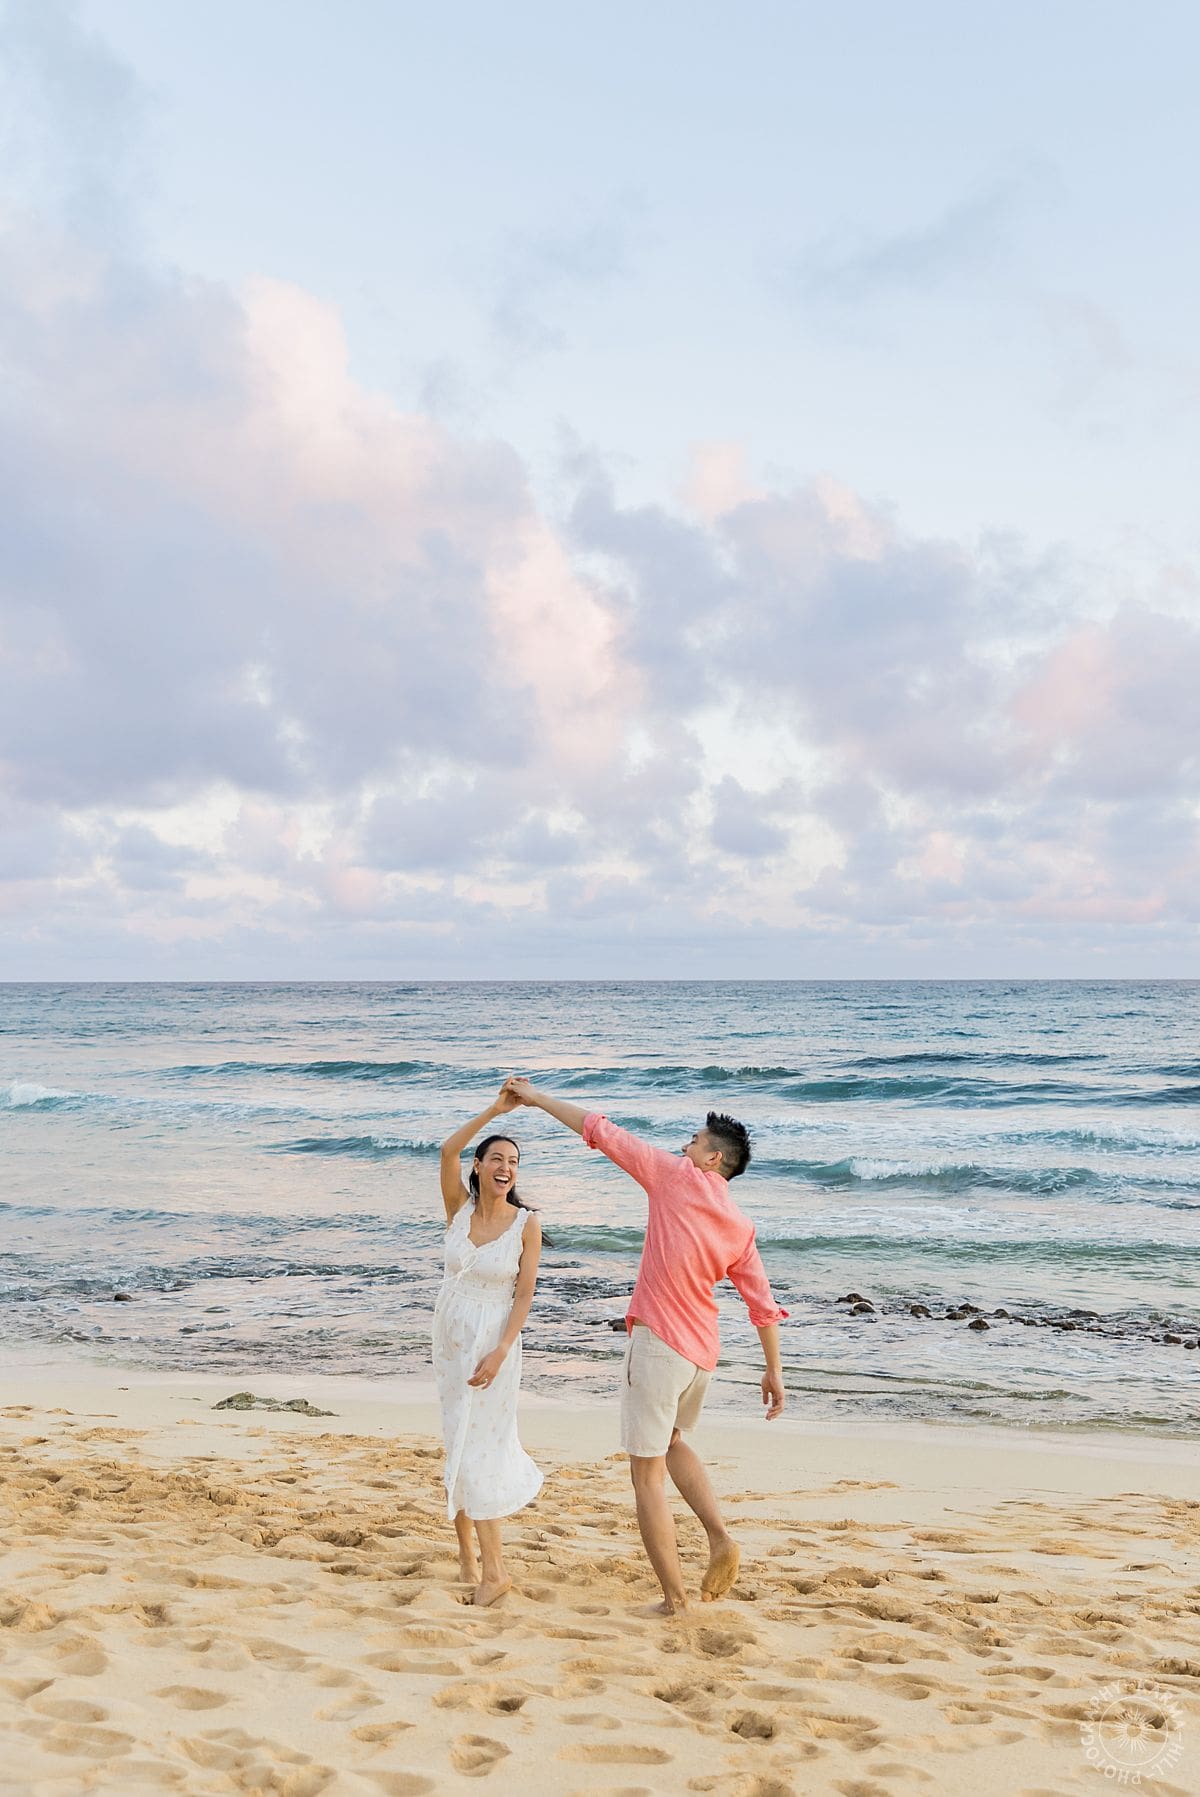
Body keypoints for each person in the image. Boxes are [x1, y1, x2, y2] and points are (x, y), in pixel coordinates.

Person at [503, 1078, 786, 1617]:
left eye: (693, 1142)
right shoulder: (740, 1225)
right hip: (701, 1354)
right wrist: (774, 1372)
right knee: (673, 1442)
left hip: (659, 1342)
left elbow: (601, 1132)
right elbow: (762, 1304)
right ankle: (720, 1536)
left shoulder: (676, 1176)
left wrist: (537, 1098)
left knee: (645, 1476)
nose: (684, 1148)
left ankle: (675, 1600)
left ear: (712, 1159)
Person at [435, 1086, 543, 1606]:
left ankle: (494, 1571)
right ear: (479, 1167)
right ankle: (466, 1557)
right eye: (496, 1158)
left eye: (514, 1162)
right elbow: (446, 1151)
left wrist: (501, 1349)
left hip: (494, 1339)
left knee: (481, 1445)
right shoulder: (458, 1207)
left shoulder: (526, 1224)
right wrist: (495, 1112)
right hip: (450, 1335)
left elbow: (524, 1295)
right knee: (457, 1437)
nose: (506, 1167)